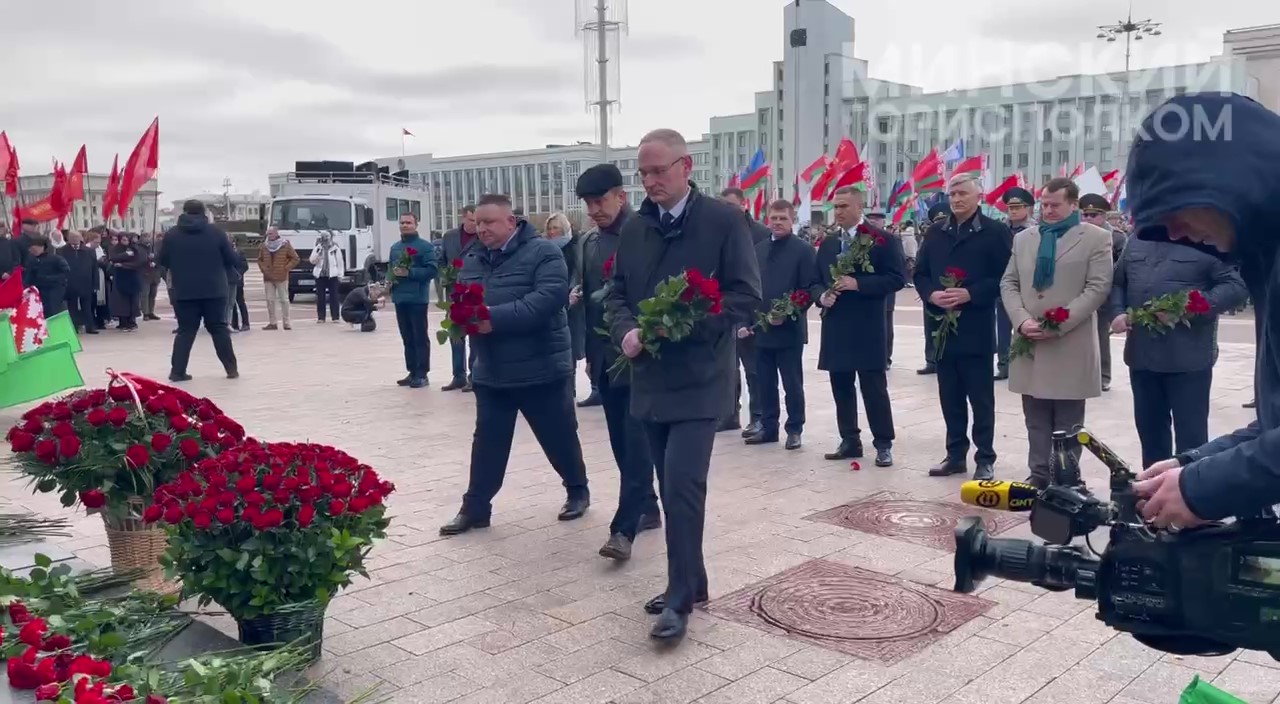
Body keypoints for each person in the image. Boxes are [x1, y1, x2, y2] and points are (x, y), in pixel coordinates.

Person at [606, 128, 761, 642]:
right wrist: (628, 330)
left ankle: (678, 599)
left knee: (682, 486)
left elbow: (744, 297)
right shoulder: (634, 230)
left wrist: (682, 326)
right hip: (649, 380)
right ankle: (693, 582)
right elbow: (617, 294)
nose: (650, 181)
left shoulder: (723, 220)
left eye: (659, 171)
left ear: (686, 166)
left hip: (700, 380)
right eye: (643, 173)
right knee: (672, 492)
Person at [1125, 93, 1280, 528]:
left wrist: (1203, 487)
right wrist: (1193, 465)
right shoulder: (1266, 258)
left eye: (1174, 205)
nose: (1173, 231)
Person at [439, 194, 590, 535]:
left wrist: (494, 319)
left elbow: (549, 299)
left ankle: (577, 490)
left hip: (541, 367)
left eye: (489, 222)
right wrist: (461, 318)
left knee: (559, 436)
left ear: (511, 221)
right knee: (488, 441)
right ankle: (476, 507)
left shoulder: (544, 252)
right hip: (492, 368)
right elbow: (462, 297)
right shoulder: (473, 257)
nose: (482, 229)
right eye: (478, 222)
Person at [1000, 178, 1114, 489]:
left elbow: (1097, 287)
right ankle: (1038, 476)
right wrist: (1022, 321)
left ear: (1073, 205)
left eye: (1055, 205)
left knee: (1067, 421)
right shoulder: (1025, 239)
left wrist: (1057, 323)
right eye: (1044, 204)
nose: (1048, 211)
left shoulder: (1095, 238)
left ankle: (1064, 479)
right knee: (1035, 419)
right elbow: (1009, 283)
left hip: (1069, 342)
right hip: (1029, 341)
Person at [575, 163, 660, 561]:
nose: (594, 210)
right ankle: (648, 506)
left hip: (640, 357)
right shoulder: (589, 243)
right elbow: (592, 304)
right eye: (589, 204)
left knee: (636, 440)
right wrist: (590, 356)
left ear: (620, 196)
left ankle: (623, 529)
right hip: (605, 358)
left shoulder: (645, 233)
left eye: (600, 201)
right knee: (620, 443)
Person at [1110, 233, 1247, 469]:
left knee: (1191, 437)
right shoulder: (1137, 240)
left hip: (1188, 359)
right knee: (1150, 431)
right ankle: (1153, 489)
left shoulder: (1205, 239)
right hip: (1142, 355)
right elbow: (1118, 282)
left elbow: (1235, 286)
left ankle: (1190, 489)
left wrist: (1191, 306)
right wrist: (1117, 311)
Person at [914, 174, 1012, 481]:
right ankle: (955, 455)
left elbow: (1006, 278)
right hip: (942, 328)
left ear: (978, 196)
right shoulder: (935, 232)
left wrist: (972, 293)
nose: (956, 199)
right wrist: (931, 294)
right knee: (950, 396)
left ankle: (985, 456)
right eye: (952, 194)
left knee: (980, 398)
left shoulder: (995, 232)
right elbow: (920, 273)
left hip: (976, 328)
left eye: (963, 194)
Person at [815, 187, 906, 465]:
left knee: (873, 387)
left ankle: (883, 442)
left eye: (844, 206)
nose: (839, 212)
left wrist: (860, 284)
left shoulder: (882, 240)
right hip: (836, 325)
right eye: (836, 207)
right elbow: (814, 279)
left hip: (867, 326)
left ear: (859, 207)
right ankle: (849, 439)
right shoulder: (829, 243)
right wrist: (822, 296)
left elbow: (897, 278)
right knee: (841, 385)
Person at [747, 199, 821, 450]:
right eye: (774, 218)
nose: (778, 223)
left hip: (789, 330)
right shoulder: (757, 250)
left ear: (792, 221)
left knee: (792, 383)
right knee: (764, 382)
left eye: (783, 218)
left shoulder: (803, 250)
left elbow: (808, 288)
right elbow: (750, 288)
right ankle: (769, 428)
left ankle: (795, 428)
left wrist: (791, 311)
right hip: (762, 330)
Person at [160, 201, 240, 382]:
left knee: (185, 331)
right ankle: (231, 369)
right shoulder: (216, 232)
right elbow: (231, 258)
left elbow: (163, 260)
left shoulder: (172, 235)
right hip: (214, 289)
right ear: (204, 212)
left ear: (184, 212)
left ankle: (177, 372)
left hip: (184, 290)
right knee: (219, 329)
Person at [718, 187, 770, 435]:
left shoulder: (760, 234)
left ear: (744, 205)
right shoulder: (718, 232)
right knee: (728, 369)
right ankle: (729, 414)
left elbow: (760, 279)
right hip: (725, 311)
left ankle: (758, 416)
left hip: (752, 313)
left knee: (754, 370)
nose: (727, 210)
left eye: (731, 205)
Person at [1079, 192, 1127, 391]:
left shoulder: (1116, 237)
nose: (1089, 219)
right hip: (1079, 292)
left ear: (1104, 216)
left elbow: (1121, 268)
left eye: (1094, 215)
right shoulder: (1076, 234)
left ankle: (1103, 375)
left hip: (1103, 293)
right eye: (1086, 215)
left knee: (1100, 335)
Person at [387, 213, 436, 387]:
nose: (405, 225)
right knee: (406, 336)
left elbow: (432, 270)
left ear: (416, 224)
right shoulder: (395, 247)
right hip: (400, 298)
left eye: (408, 222)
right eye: (402, 222)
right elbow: (390, 270)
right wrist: (386, 286)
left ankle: (422, 373)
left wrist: (411, 273)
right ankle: (412, 371)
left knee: (419, 336)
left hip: (417, 299)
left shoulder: (425, 247)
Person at [438, 206, 482, 392]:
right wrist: (443, 275)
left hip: (474, 293)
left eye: (478, 221)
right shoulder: (449, 237)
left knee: (474, 335)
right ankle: (458, 375)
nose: (475, 225)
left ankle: (474, 376)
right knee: (455, 335)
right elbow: (441, 260)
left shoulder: (482, 237)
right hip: (454, 293)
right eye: (472, 221)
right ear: (464, 217)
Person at [546, 212, 588, 399]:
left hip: (572, 304)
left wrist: (573, 292)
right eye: (549, 228)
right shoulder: (544, 248)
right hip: (552, 302)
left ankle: (569, 388)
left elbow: (579, 272)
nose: (552, 231)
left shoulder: (575, 246)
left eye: (555, 227)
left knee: (569, 347)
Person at [995, 187, 1035, 380]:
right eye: (1010, 207)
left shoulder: (1036, 230)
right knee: (1002, 328)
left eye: (1018, 207)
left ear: (1028, 209)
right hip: (1004, 284)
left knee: (1026, 325)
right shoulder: (999, 229)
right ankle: (1004, 365)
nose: (1013, 211)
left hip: (1028, 286)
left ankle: (1025, 363)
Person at [917, 204, 951, 375]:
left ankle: (945, 359)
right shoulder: (930, 236)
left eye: (944, 219)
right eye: (938, 220)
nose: (941, 222)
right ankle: (931, 360)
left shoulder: (956, 235)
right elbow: (921, 265)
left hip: (954, 289)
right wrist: (927, 291)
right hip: (933, 290)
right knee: (930, 326)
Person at [257, 227, 299, 330]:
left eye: (271, 233)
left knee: (284, 300)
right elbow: (260, 259)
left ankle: (287, 322)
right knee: (270, 300)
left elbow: (295, 258)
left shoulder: (285, 245)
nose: (269, 236)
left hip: (281, 276)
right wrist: (263, 269)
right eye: (268, 234)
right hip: (268, 277)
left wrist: (286, 268)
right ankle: (272, 322)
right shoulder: (264, 246)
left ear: (276, 234)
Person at [61, 231, 99, 334]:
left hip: (86, 283)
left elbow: (94, 268)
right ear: (68, 239)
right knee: (72, 307)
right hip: (70, 284)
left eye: (77, 237)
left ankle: (90, 327)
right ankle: (74, 327)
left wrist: (96, 284)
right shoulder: (62, 251)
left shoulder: (88, 251)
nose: (75, 239)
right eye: (72, 237)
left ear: (81, 238)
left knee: (87, 306)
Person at [21, 235, 69, 316]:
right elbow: (28, 275)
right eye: (31, 249)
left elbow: (65, 273)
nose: (33, 251)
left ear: (42, 247)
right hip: (37, 290)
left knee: (52, 311)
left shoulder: (56, 259)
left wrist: (50, 279)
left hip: (53, 290)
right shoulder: (31, 260)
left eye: (35, 249)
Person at [108, 233, 145, 331]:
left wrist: (123, 265)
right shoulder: (115, 249)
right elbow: (113, 259)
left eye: (127, 240)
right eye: (123, 240)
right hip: (120, 278)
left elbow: (138, 262)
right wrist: (125, 255)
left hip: (132, 278)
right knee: (121, 302)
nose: (125, 242)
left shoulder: (135, 248)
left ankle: (132, 322)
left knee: (133, 301)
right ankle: (123, 322)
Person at [310, 231, 345, 323]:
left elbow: (340, 262)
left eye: (326, 239)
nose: (325, 241)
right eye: (323, 239)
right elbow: (312, 260)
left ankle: (335, 317)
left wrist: (340, 275)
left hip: (332, 275)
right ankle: (321, 317)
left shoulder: (335, 248)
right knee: (320, 297)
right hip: (320, 275)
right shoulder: (318, 248)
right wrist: (318, 256)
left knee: (334, 296)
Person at [227, 235, 250, 332]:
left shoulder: (239, 252)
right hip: (228, 281)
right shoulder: (225, 252)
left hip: (238, 282)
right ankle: (234, 324)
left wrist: (238, 274)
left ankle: (246, 323)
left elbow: (245, 266)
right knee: (231, 304)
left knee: (240, 302)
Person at [139, 233, 162, 321]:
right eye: (146, 237)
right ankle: (145, 312)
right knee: (145, 294)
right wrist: (147, 259)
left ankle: (151, 311)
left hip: (154, 273)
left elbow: (159, 257)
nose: (148, 239)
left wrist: (155, 262)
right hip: (145, 274)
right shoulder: (140, 248)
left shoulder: (154, 247)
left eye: (149, 237)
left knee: (153, 294)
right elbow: (139, 259)